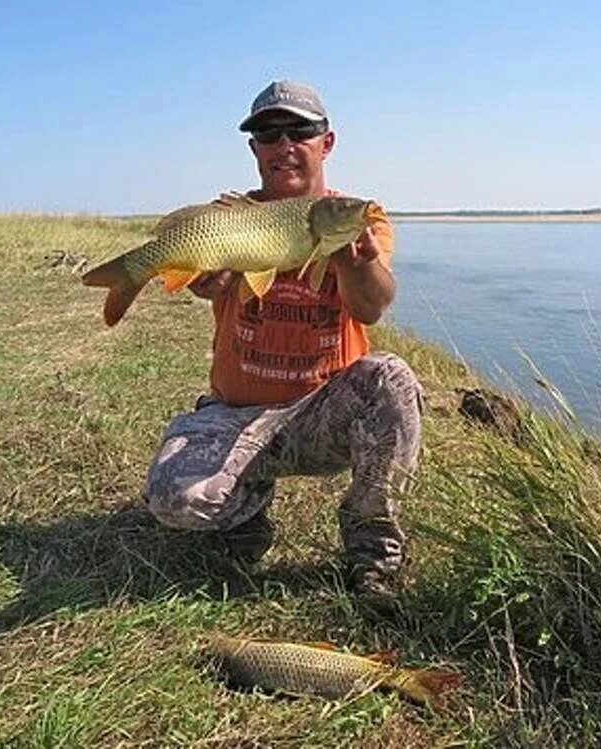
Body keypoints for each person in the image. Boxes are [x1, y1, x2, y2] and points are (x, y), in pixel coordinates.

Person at [141, 80, 424, 602]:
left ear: (327, 142)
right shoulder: (228, 220)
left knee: (392, 376)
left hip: (320, 415)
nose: (284, 144)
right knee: (171, 498)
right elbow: (210, 286)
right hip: (238, 413)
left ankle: (372, 552)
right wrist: (207, 279)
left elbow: (372, 305)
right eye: (268, 134)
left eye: (300, 131)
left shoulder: (360, 216)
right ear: (254, 150)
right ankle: (245, 516)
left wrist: (352, 263)